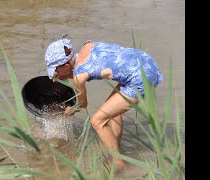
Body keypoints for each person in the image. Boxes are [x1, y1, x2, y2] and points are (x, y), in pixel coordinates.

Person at [44, 35, 163, 171]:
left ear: (65, 66)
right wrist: (70, 76)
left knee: (97, 121)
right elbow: (91, 66)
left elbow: (82, 105)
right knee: (112, 113)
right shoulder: (87, 46)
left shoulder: (79, 76)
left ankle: (120, 164)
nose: (54, 77)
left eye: (56, 71)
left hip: (140, 78)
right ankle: (118, 151)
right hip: (144, 61)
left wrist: (70, 110)